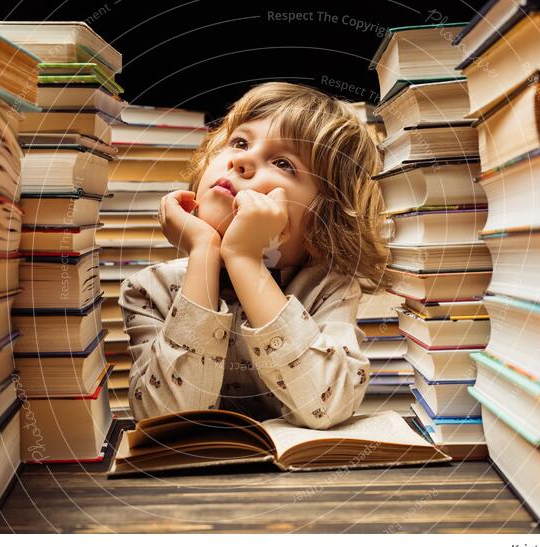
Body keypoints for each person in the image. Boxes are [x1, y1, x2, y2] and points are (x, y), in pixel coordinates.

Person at [119, 82, 389, 429]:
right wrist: (203, 250)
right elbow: (167, 420)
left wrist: (244, 260)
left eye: (282, 163)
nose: (242, 159)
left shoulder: (328, 289)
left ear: (325, 225)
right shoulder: (148, 289)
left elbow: (327, 406)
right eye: (240, 142)